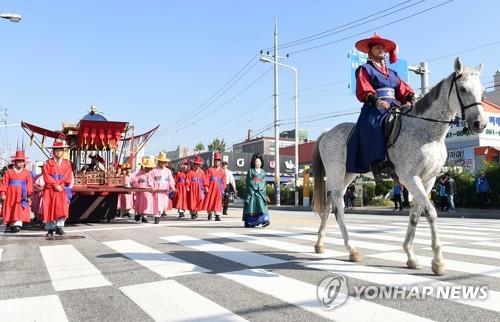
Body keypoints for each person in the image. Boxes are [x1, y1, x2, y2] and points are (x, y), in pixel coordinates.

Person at [346, 33, 415, 182]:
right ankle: (378, 164)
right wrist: (377, 101)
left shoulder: (392, 73)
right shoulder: (364, 69)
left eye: (382, 49)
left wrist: (409, 99)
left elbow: (404, 89)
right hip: (375, 106)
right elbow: (364, 88)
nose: (381, 51)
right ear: (370, 52)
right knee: (374, 125)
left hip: (394, 104)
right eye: (377, 48)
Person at [42, 136, 74, 236]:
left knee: (61, 208)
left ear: (63, 151)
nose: (59, 152)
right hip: (50, 189)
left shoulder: (67, 163)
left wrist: (62, 185)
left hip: (61, 189)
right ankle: (50, 229)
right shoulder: (47, 163)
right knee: (50, 207)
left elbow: (68, 176)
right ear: (53, 151)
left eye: (61, 150)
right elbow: (46, 176)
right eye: (57, 150)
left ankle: (59, 227)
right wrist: (55, 185)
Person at [1, 150, 33, 233]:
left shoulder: (27, 172)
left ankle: (18, 224)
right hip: (10, 193)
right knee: (11, 207)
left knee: (20, 208)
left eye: (22, 161)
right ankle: (12, 223)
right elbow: (4, 183)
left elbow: (29, 183)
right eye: (19, 161)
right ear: (15, 162)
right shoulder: (8, 172)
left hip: (22, 193)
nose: (21, 163)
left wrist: (29, 195)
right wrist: (3, 193)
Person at [242, 153, 270, 228]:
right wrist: (256, 187)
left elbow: (263, 183)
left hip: (261, 192)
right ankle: (251, 222)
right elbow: (249, 181)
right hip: (252, 192)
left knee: (262, 204)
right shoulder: (251, 171)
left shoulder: (263, 172)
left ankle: (264, 220)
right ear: (254, 162)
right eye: (257, 162)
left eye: (259, 162)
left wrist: (261, 189)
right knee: (251, 205)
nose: (258, 163)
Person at [151, 152, 176, 224]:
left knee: (164, 204)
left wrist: (172, 186)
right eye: (162, 162)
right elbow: (150, 179)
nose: (163, 163)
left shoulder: (168, 171)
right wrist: (152, 187)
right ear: (159, 162)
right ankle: (157, 217)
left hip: (165, 190)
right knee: (157, 203)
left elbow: (171, 180)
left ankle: (161, 213)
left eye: (164, 162)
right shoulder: (154, 170)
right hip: (157, 190)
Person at [202, 152, 226, 221]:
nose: (217, 162)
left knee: (218, 201)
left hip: (219, 188)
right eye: (216, 160)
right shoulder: (210, 169)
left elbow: (224, 180)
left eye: (218, 160)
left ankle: (217, 215)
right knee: (210, 200)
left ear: (220, 161)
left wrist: (223, 188)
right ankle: (209, 213)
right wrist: (206, 187)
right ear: (214, 161)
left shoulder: (222, 171)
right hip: (211, 188)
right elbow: (206, 178)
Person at [131, 157, 155, 223]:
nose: (149, 169)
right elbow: (134, 180)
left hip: (149, 190)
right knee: (140, 202)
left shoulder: (152, 173)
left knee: (147, 202)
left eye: (150, 167)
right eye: (147, 167)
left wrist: (153, 186)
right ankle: (138, 214)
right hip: (141, 190)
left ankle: (144, 215)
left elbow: (155, 181)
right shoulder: (139, 173)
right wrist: (136, 186)